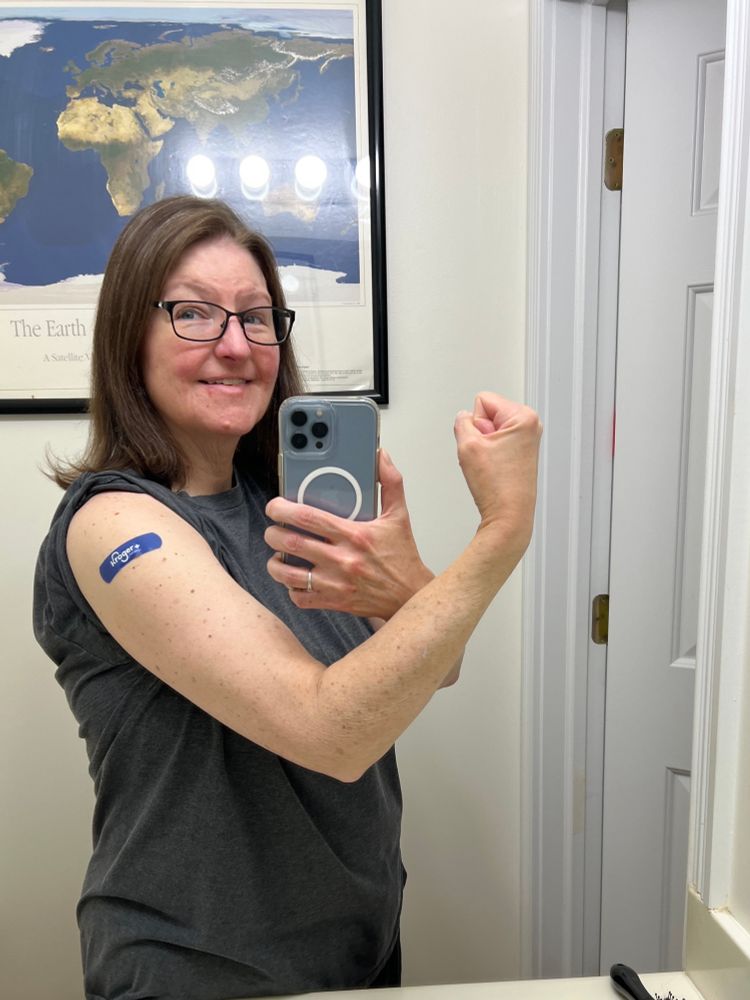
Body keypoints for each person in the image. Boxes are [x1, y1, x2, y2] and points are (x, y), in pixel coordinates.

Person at [33, 195, 541, 1000]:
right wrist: (502, 532)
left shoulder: (290, 509)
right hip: (197, 969)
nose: (235, 346)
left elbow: (433, 668)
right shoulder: (114, 523)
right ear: (131, 332)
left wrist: (404, 584)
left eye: (258, 318)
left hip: (359, 947)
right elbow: (329, 729)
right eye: (194, 315)